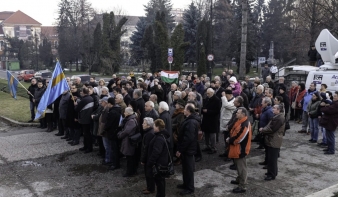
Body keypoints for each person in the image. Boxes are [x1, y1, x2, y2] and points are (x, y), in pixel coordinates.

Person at [176, 104, 201, 196]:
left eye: (185, 109)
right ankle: (185, 184)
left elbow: (188, 138)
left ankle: (189, 188)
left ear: (189, 111)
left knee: (189, 169)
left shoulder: (190, 122)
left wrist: (180, 150)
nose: (183, 110)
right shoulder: (189, 120)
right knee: (185, 168)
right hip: (187, 149)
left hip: (188, 150)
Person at [227, 107, 252, 193]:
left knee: (242, 168)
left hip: (241, 149)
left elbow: (240, 138)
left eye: (238, 113)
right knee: (238, 166)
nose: (236, 114)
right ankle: (239, 180)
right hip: (237, 148)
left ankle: (242, 186)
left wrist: (230, 140)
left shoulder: (245, 124)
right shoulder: (240, 121)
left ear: (243, 114)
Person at [259, 104, 285, 181]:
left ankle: (272, 174)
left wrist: (262, 130)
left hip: (274, 140)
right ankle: (271, 172)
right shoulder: (277, 117)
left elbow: (272, 129)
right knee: (270, 158)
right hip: (272, 140)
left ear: (279, 110)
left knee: (272, 159)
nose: (272, 109)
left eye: (274, 108)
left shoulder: (279, 118)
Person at [145, 119, 170, 197]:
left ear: (158, 127)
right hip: (161, 162)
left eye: (154, 126)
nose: (153, 127)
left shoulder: (159, 138)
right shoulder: (161, 135)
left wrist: (150, 162)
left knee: (160, 182)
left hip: (159, 164)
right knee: (160, 182)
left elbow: (156, 152)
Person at [117, 107, 138, 177]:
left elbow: (126, 131)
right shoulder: (131, 119)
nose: (124, 113)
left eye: (125, 112)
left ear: (128, 113)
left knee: (130, 158)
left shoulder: (131, 121)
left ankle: (130, 172)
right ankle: (131, 171)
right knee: (130, 157)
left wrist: (120, 134)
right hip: (129, 141)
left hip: (129, 141)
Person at [101, 97, 121, 166]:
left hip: (112, 132)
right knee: (114, 148)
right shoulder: (118, 109)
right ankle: (114, 161)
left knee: (113, 148)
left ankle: (114, 163)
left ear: (110, 104)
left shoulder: (112, 112)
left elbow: (109, 123)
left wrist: (104, 129)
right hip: (116, 131)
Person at [201, 88, 221, 154]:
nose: (207, 94)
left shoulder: (217, 100)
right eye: (207, 93)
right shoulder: (207, 98)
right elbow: (204, 106)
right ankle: (207, 145)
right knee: (206, 133)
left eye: (208, 93)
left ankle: (213, 147)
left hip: (212, 120)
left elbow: (217, 111)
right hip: (206, 119)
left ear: (212, 93)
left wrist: (208, 111)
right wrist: (203, 110)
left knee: (212, 134)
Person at [75, 87, 94, 153]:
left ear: (83, 92)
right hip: (89, 118)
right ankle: (86, 146)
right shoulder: (91, 98)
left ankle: (88, 147)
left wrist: (75, 105)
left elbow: (77, 109)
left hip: (84, 119)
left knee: (86, 134)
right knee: (87, 134)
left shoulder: (84, 100)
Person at [140, 117, 155, 194]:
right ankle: (149, 187)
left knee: (149, 174)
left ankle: (150, 188)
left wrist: (143, 159)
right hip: (149, 157)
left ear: (149, 125)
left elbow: (146, 148)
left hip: (148, 158)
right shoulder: (149, 132)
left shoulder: (149, 134)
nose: (142, 124)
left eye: (144, 123)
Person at [172, 99, 186, 165]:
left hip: (178, 132)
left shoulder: (181, 114)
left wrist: (171, 125)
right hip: (175, 131)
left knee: (178, 145)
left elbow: (179, 124)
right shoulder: (177, 111)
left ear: (180, 106)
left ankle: (180, 159)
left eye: (177, 104)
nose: (175, 105)